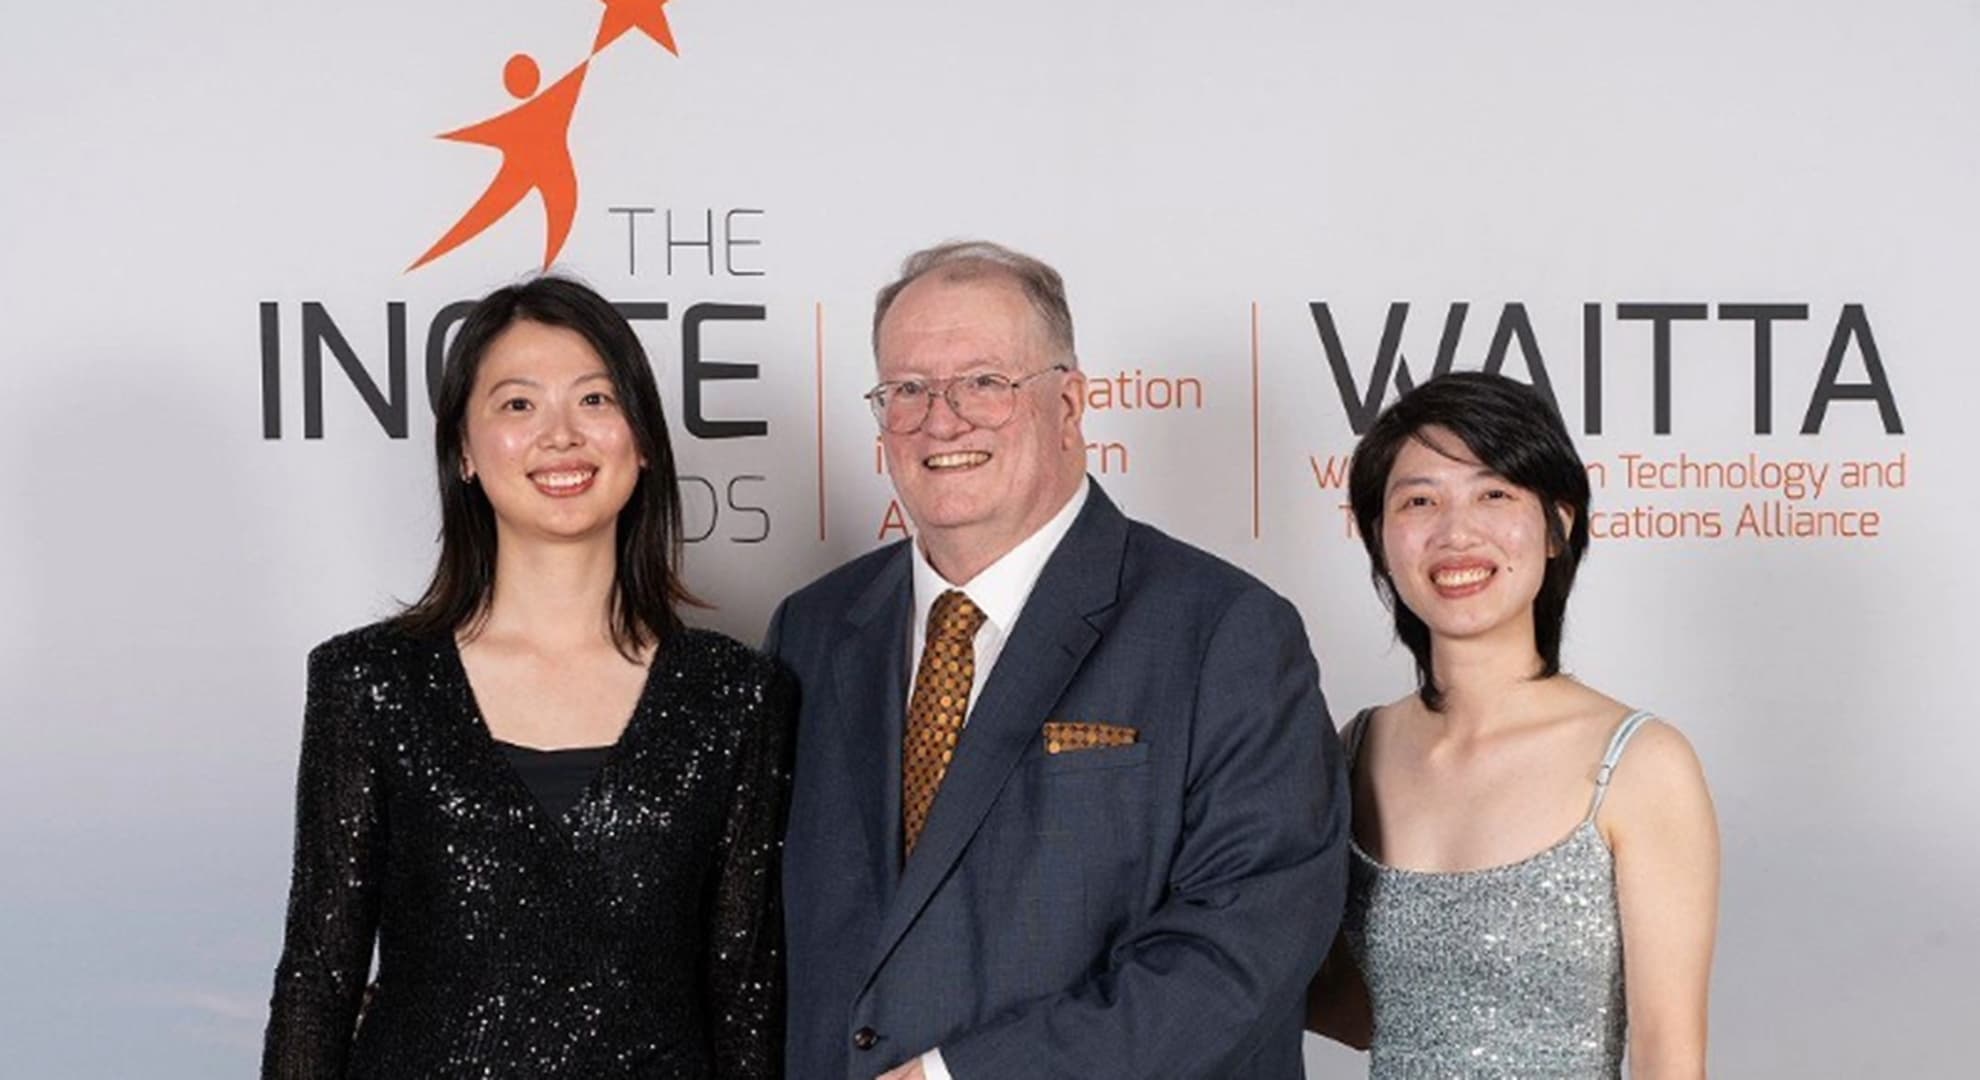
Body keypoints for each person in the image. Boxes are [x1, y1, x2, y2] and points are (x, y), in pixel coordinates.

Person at [767, 240, 1347, 1080]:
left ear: (1069, 403)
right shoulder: (813, 631)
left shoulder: (1224, 631)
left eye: (985, 382)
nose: (942, 417)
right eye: (908, 390)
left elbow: (1244, 950)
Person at [261, 275, 790, 1079]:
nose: (560, 436)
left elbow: (743, 995)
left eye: (595, 401)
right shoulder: (370, 684)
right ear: (464, 451)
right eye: (517, 405)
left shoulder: (736, 696)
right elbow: (317, 983)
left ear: (642, 440)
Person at [1306, 371, 1720, 1078]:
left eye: (1494, 493)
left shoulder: (1642, 763)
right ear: (1380, 539)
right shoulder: (1357, 748)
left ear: (1558, 527)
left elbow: (1668, 1058)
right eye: (1418, 501)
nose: (1455, 531)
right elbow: (1355, 1010)